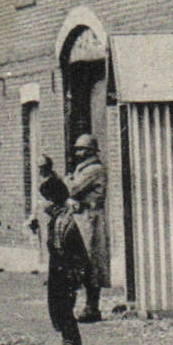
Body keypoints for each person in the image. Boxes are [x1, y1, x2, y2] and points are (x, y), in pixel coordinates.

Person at [38, 174, 90, 345]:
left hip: (66, 271)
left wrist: (73, 275)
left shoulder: (63, 222)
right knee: (58, 310)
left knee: (65, 310)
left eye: (46, 200)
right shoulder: (57, 219)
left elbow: (68, 251)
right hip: (59, 270)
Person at [67, 134, 110, 321]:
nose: (79, 152)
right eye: (77, 149)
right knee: (82, 261)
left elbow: (72, 189)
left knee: (90, 261)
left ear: (92, 151)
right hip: (82, 217)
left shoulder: (93, 169)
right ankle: (88, 306)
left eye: (83, 149)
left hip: (90, 218)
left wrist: (68, 182)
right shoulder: (83, 168)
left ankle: (92, 308)